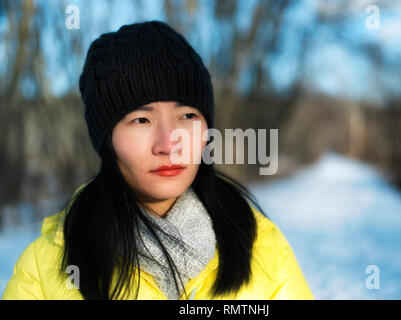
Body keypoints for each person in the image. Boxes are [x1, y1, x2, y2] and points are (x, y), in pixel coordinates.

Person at [2, 20, 314, 300]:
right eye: (141, 120)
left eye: (187, 115)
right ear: (106, 138)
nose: (169, 144)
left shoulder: (263, 248)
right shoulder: (44, 271)